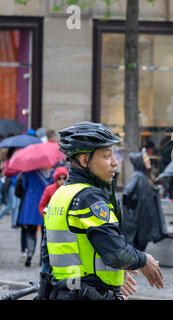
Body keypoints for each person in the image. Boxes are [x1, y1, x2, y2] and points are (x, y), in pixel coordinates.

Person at [41, 121, 163, 300]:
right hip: (87, 294)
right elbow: (116, 253)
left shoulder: (61, 195)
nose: (115, 162)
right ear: (84, 160)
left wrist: (111, 277)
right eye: (107, 156)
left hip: (65, 292)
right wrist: (144, 260)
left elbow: (48, 256)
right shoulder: (88, 198)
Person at [121, 152, 167, 251]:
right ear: (141, 163)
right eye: (146, 160)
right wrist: (132, 212)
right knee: (138, 247)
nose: (149, 161)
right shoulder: (138, 176)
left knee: (141, 247)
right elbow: (126, 193)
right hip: (140, 220)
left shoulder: (145, 176)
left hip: (145, 219)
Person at [17, 168, 53, 267]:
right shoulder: (51, 173)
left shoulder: (28, 173)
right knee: (45, 234)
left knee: (30, 232)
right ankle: (42, 258)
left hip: (31, 204)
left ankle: (29, 254)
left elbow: (24, 186)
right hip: (45, 203)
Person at [38, 166, 68, 272]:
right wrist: (48, 217)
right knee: (47, 251)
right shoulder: (49, 189)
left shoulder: (68, 190)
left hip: (64, 227)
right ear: (55, 179)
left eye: (64, 178)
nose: (62, 181)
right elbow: (42, 205)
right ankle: (44, 277)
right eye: (59, 178)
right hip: (50, 226)